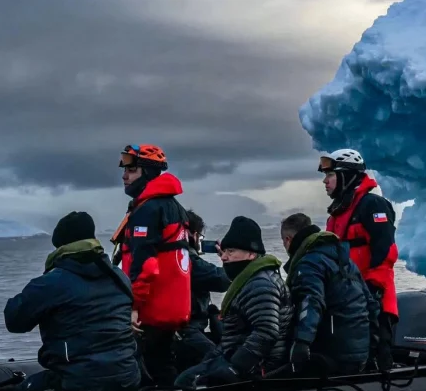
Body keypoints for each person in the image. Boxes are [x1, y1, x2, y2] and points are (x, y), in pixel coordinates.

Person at [4, 211, 141, 391]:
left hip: (80, 381)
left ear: (60, 248)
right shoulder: (119, 276)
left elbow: (14, 321)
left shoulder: (53, 282)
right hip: (128, 377)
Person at [174, 216, 294, 389]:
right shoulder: (249, 279)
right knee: (184, 379)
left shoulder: (260, 284)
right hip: (234, 354)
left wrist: (234, 368)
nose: (223, 257)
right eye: (223, 251)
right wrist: (212, 359)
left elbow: (266, 331)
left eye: (231, 251)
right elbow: (233, 338)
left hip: (256, 366)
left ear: (251, 254)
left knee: (186, 383)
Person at [110, 144, 192, 386]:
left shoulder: (148, 210)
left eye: (132, 170)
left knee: (140, 369)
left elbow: (145, 265)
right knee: (162, 365)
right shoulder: (173, 207)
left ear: (147, 172)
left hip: (152, 310)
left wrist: (134, 307)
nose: (125, 176)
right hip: (172, 307)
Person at [318, 148, 399, 371]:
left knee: (376, 356)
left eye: (330, 175)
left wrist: (373, 289)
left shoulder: (373, 205)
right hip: (347, 304)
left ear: (345, 175)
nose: (325, 182)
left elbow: (386, 251)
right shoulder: (336, 214)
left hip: (374, 300)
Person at [280, 212, 380, 376]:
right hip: (360, 352)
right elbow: (371, 304)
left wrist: (301, 342)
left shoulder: (309, 263)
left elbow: (311, 301)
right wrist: (375, 345)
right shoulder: (344, 260)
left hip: (333, 353)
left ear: (288, 240)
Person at [175, 209, 232, 371]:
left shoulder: (164, 255)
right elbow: (222, 280)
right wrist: (227, 259)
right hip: (187, 328)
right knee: (219, 362)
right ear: (193, 235)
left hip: (171, 329)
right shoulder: (188, 260)